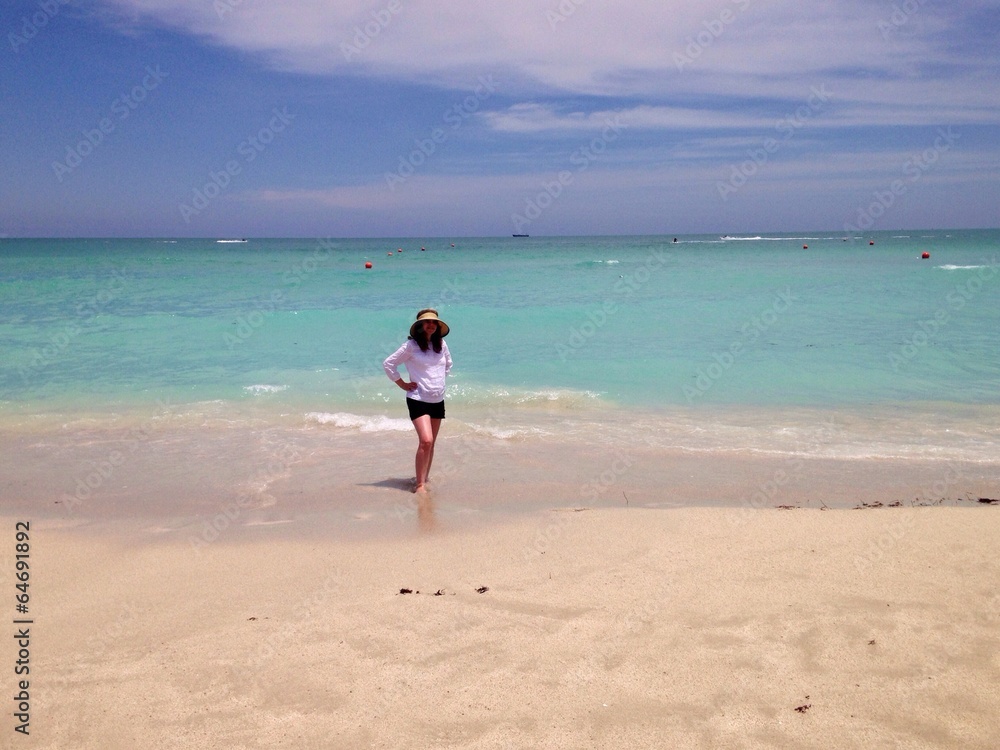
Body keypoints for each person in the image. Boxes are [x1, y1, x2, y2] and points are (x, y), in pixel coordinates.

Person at [382, 309, 452, 494]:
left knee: (432, 442)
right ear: (420, 326)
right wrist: (402, 384)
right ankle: (419, 486)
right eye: (427, 322)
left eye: (434, 322)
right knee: (426, 441)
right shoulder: (411, 346)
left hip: (437, 399)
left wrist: (438, 383)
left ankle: (424, 478)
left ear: (437, 326)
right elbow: (389, 363)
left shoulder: (441, 344)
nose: (431, 325)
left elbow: (448, 365)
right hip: (418, 398)